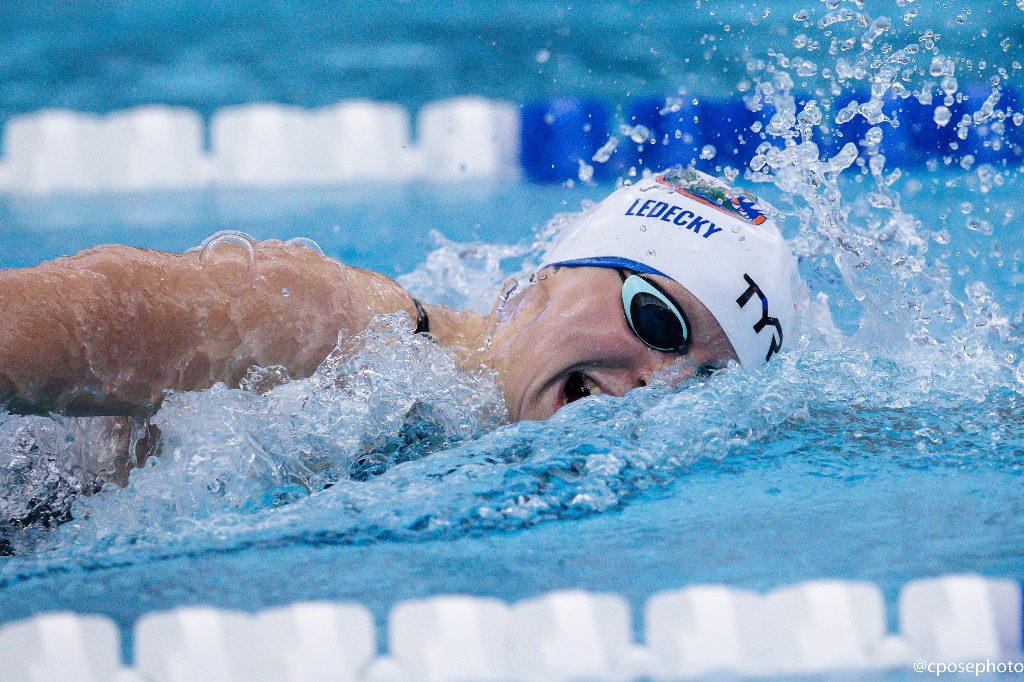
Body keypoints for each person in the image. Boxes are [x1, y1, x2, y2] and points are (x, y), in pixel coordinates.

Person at [0, 167, 799, 426]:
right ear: (552, 276)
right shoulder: (340, 327)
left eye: (707, 379)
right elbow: (67, 322)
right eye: (656, 320)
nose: (661, 383)